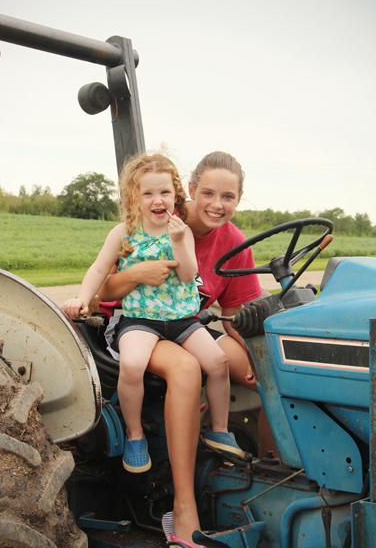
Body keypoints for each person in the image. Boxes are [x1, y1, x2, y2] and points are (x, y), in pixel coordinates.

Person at [98, 151, 276, 546]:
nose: (216, 205)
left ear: (239, 199)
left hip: (185, 325)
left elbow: (233, 314)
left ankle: (271, 473)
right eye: (207, 194)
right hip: (138, 325)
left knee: (271, 373)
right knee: (186, 369)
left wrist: (255, 361)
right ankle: (182, 507)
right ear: (190, 191)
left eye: (227, 197)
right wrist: (133, 274)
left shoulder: (233, 239)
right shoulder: (156, 218)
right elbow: (100, 292)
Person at [64, 153, 245, 475]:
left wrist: (178, 241)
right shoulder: (124, 233)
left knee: (219, 362)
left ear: (176, 195)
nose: (157, 200)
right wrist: (82, 297)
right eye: (147, 193)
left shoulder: (181, 231)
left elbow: (189, 275)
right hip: (140, 320)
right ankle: (135, 437)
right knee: (132, 365)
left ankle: (219, 429)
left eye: (164, 192)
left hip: (181, 320)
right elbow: (100, 268)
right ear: (135, 198)